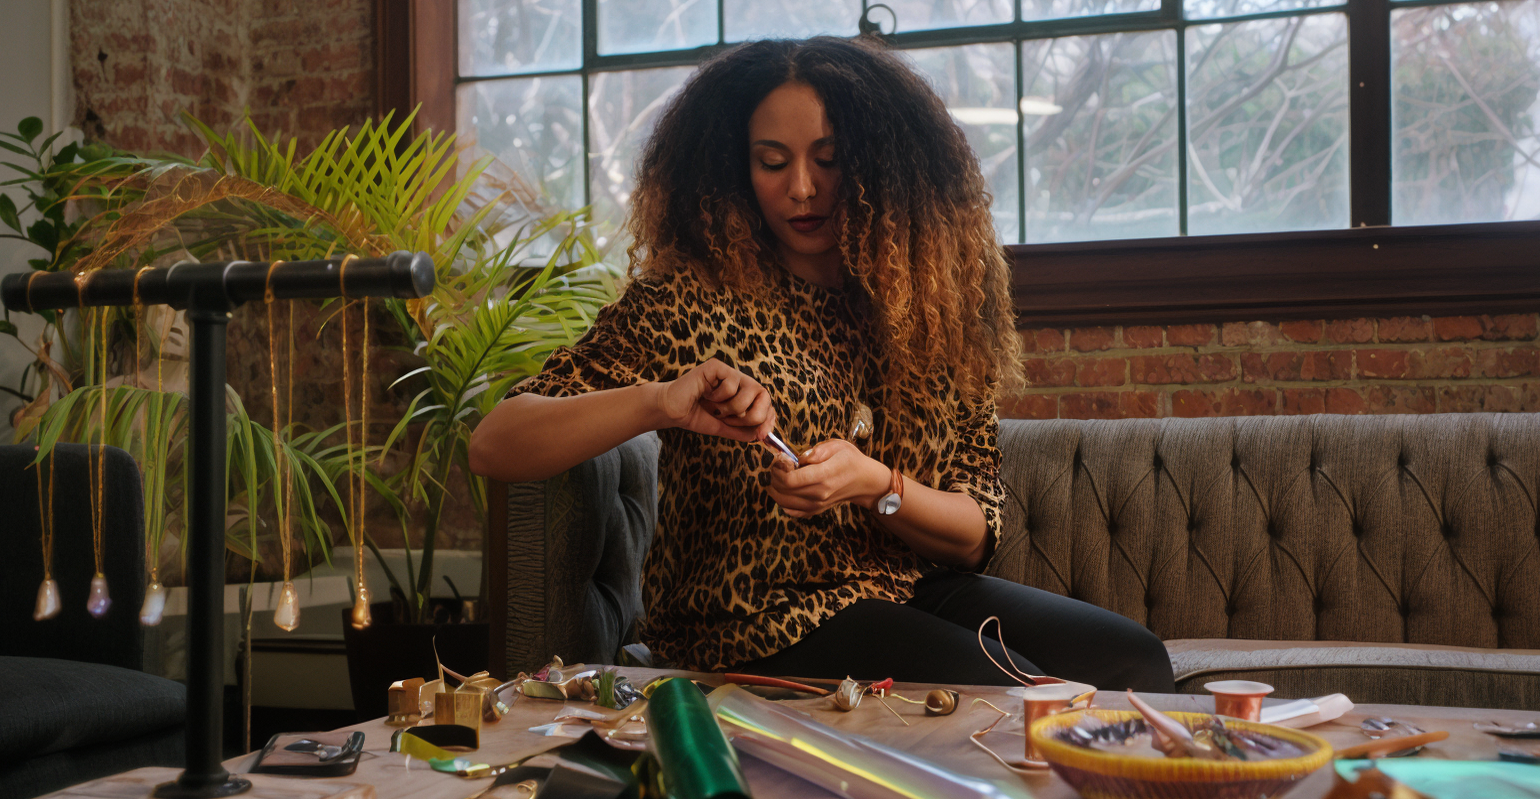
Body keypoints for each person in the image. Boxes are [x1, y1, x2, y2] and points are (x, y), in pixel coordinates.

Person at [469, 36, 1173, 692]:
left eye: (828, 159)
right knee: (1005, 689)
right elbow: (496, 442)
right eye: (771, 161)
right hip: (751, 618)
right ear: (735, 168)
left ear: (883, 167)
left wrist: (873, 485)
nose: (801, 188)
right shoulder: (692, 295)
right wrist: (659, 401)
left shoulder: (930, 305)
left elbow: (974, 534)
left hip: (909, 588)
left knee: (1130, 659)